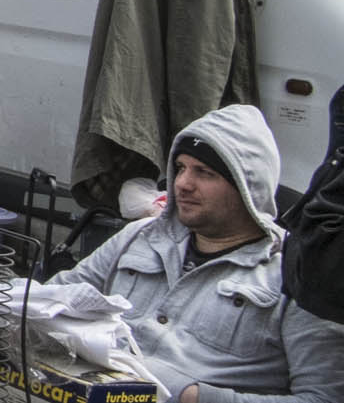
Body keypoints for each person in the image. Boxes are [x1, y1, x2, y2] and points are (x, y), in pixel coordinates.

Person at [50, 105, 344, 401]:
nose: (182, 184)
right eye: (180, 168)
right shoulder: (140, 236)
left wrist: (196, 397)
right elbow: (51, 300)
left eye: (204, 173)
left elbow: (323, 398)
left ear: (247, 186)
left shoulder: (298, 273)